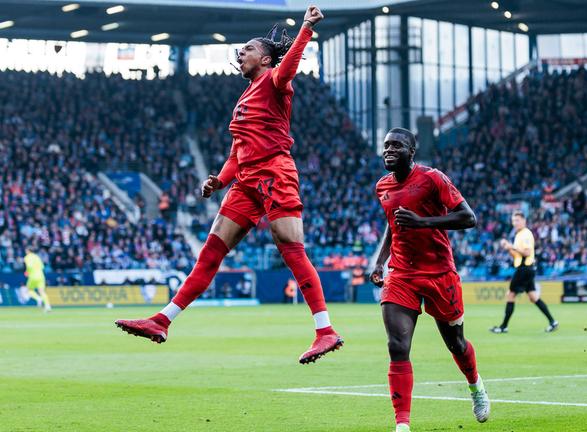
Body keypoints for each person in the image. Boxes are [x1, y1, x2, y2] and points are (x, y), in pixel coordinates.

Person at [115, 5, 343, 365]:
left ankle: (324, 330)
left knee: (289, 246)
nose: (241, 53)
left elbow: (290, 67)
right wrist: (218, 180)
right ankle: (162, 321)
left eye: (247, 49)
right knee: (211, 251)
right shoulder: (245, 97)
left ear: (265, 58)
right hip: (246, 181)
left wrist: (306, 28)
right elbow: (237, 153)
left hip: (274, 173)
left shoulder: (274, 81)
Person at [370, 128, 490, 432]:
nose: (389, 150)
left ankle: (475, 386)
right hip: (401, 274)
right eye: (385, 146)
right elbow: (392, 225)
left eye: (396, 145)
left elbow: (468, 218)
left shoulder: (433, 178)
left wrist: (424, 223)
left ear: (412, 151)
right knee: (397, 345)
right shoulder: (382, 186)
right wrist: (380, 260)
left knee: (456, 343)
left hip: (439, 274)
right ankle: (402, 425)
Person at [490, 212, 558, 333]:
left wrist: (511, 246)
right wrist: (509, 248)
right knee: (533, 297)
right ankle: (553, 322)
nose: (514, 223)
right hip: (527, 268)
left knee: (510, 295)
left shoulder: (525, 234)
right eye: (513, 221)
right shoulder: (519, 234)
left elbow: (526, 252)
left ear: (524, 221)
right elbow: (517, 255)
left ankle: (503, 326)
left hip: (524, 269)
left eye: (517, 220)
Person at [24, 247, 51, 313]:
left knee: (29, 290)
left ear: (28, 251)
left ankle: (38, 298)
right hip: (41, 276)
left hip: (33, 276)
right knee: (42, 291)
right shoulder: (37, 257)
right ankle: (48, 306)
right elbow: (42, 267)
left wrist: (27, 272)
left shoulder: (27, 257)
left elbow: (29, 266)